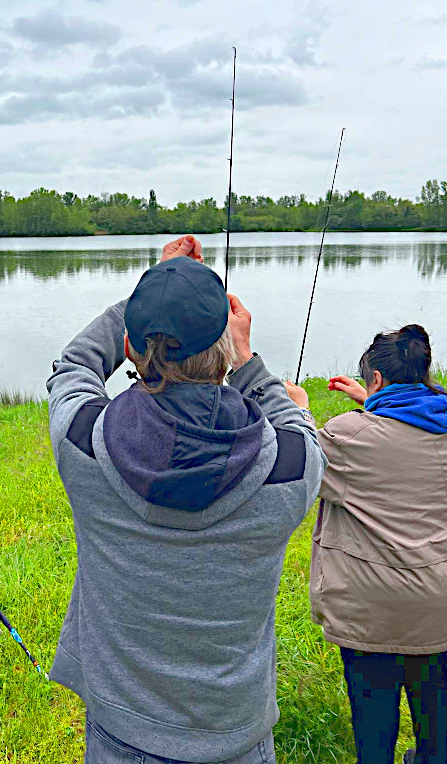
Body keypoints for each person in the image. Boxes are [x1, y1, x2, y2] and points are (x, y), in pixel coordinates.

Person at [46, 235, 326, 763]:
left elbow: (74, 366)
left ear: (131, 344)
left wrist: (153, 294)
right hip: (237, 737)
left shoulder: (84, 444)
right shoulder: (288, 468)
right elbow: (295, 421)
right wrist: (249, 362)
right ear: (226, 350)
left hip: (119, 734)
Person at [285, 325, 447, 764]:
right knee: (432, 685)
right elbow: (414, 418)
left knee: (374, 700)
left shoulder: (347, 435)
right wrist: (372, 403)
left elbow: (303, 460)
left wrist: (298, 410)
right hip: (444, 598)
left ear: (375, 379)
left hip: (377, 609)